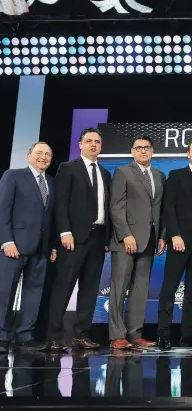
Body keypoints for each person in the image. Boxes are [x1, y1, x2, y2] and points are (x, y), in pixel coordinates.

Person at [44, 128, 111, 351]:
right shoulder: (68, 168)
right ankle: (53, 336)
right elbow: (60, 203)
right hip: (73, 238)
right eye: (89, 141)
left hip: (98, 237)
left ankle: (81, 335)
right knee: (63, 287)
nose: (93, 145)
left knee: (90, 289)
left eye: (97, 142)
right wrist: (64, 232)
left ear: (101, 146)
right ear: (80, 144)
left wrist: (108, 237)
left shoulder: (105, 174)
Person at [108, 135, 166, 350]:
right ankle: (117, 336)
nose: (143, 151)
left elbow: (160, 209)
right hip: (127, 241)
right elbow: (116, 206)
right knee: (119, 288)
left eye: (147, 148)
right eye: (138, 148)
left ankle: (135, 333)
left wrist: (162, 235)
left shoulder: (159, 175)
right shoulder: (122, 172)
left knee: (140, 289)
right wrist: (126, 235)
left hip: (150, 240)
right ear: (132, 151)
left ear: (152, 151)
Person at [0, 142, 56, 352]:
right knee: (5, 291)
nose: (43, 157)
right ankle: (2, 336)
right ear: (29, 155)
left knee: (34, 293)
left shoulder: (51, 182)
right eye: (39, 153)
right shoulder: (12, 175)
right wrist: (6, 241)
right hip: (14, 245)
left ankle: (25, 336)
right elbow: (2, 210)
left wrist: (53, 246)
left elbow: (50, 218)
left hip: (41, 249)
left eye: (48, 154)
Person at [157, 140, 192, 349]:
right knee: (170, 287)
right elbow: (168, 208)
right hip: (180, 239)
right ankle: (163, 334)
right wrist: (174, 235)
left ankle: (188, 334)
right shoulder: (176, 175)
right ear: (188, 154)